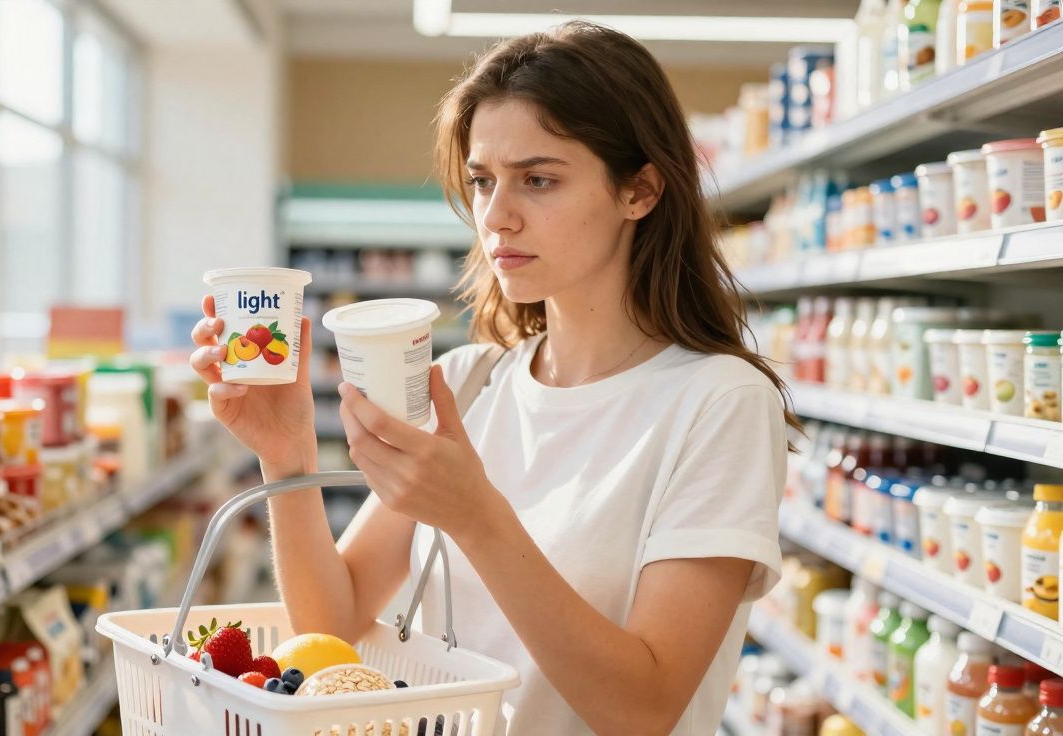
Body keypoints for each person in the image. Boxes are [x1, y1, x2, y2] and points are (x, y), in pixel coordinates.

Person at [190, 20, 798, 736]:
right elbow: (334, 622)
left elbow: (644, 707)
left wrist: (476, 517)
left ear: (640, 191)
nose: (497, 217)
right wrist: (285, 453)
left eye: (538, 180)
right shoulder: (468, 381)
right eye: (482, 181)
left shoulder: (718, 403)